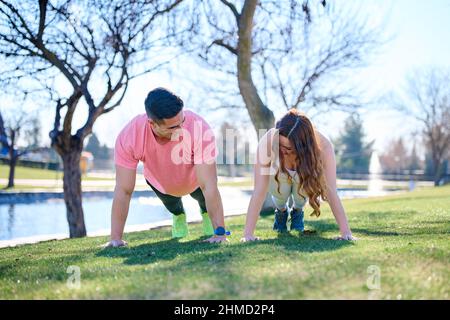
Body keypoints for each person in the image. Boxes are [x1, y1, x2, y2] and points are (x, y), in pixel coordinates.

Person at [105, 88, 229, 247]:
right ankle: (179, 216)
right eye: (172, 127)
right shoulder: (131, 135)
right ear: (152, 124)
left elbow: (209, 184)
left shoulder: (199, 127)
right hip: (161, 182)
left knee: (203, 199)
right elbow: (123, 189)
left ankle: (206, 215)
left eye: (182, 122)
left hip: (195, 179)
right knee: (173, 206)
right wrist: (115, 239)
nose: (180, 129)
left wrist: (220, 233)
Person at [241, 109, 356, 242]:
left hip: (304, 175)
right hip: (278, 177)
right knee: (281, 192)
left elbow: (331, 191)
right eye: (280, 145)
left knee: (301, 192)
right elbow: (259, 190)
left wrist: (345, 232)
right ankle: (281, 211)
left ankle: (297, 211)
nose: (283, 150)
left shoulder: (323, 147)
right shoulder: (267, 141)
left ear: (303, 146)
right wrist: (248, 234)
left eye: (289, 148)